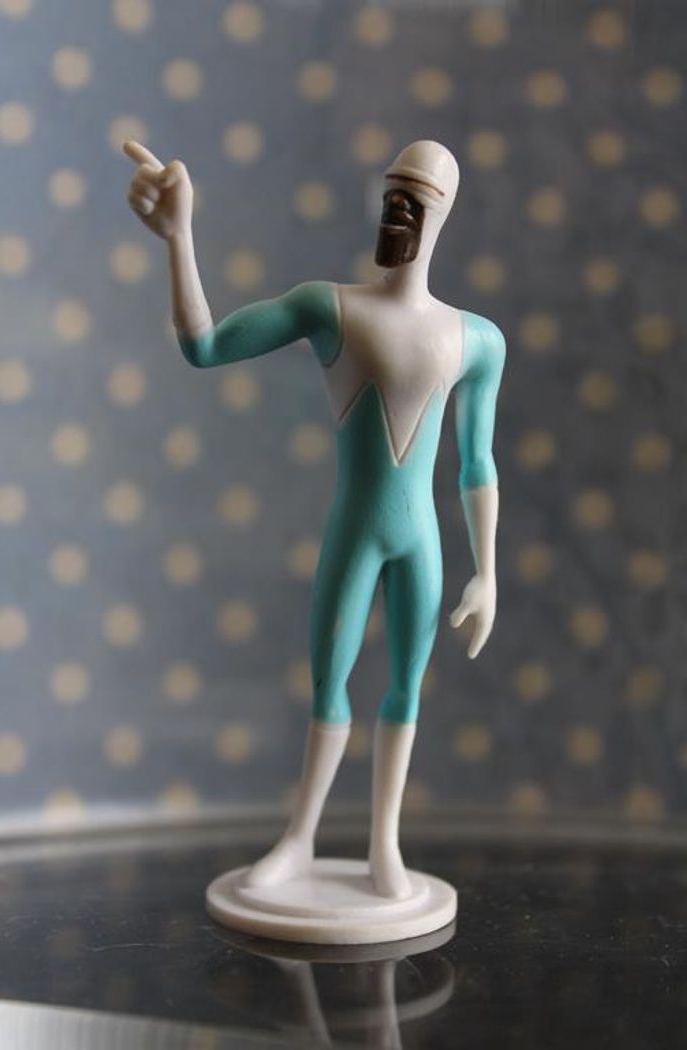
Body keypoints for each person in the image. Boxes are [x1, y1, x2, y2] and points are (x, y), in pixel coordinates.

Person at [125, 138, 505, 899]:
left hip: (420, 545)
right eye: (392, 192)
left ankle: (384, 844)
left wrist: (488, 573)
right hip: (354, 535)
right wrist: (179, 237)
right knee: (330, 687)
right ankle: (299, 839)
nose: (399, 210)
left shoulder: (476, 339)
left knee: (405, 689)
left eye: (417, 198)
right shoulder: (329, 307)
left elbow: (477, 464)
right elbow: (205, 346)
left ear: (444, 212)